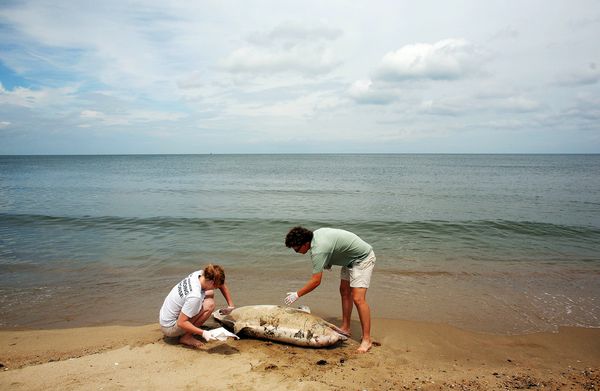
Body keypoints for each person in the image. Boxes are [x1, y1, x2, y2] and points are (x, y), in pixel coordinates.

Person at [284, 226, 376, 353]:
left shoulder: (318, 250)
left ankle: (367, 339)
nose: (296, 251)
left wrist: (297, 294)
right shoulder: (314, 237)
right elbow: (333, 246)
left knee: (358, 298)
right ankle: (345, 328)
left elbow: (316, 281)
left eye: (296, 249)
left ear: (305, 243)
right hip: (349, 259)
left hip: (362, 258)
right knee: (344, 291)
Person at [159, 264, 235, 348]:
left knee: (210, 293)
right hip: (169, 328)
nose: (215, 288)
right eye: (215, 287)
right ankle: (186, 337)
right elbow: (181, 323)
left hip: (164, 317)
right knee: (210, 304)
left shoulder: (199, 274)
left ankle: (190, 328)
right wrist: (203, 333)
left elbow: (220, 283)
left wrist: (230, 305)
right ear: (212, 282)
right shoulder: (195, 296)